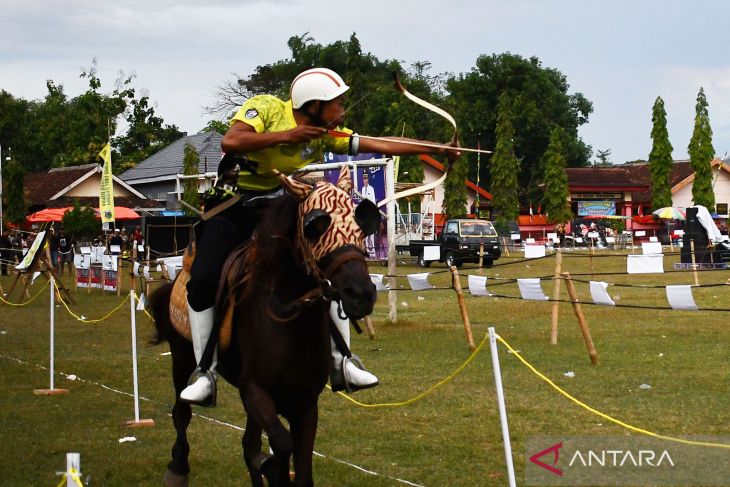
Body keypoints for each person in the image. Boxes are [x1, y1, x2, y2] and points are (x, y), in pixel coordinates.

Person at [181, 67, 460, 405]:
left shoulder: (327, 134)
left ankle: (344, 361)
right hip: (232, 206)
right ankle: (205, 372)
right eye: (337, 103)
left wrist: (438, 148)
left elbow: (382, 143)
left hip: (277, 206)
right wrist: (287, 137)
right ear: (313, 105)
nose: (342, 109)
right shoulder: (267, 108)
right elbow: (232, 140)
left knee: (327, 264)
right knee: (204, 279)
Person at [360, 172, 377, 256]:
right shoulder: (363, 189)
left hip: (370, 213)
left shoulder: (371, 189)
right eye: (364, 179)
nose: (365, 181)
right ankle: (367, 250)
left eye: (366, 179)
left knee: (372, 233)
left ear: (368, 179)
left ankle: (373, 251)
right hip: (364, 214)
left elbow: (373, 201)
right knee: (365, 232)